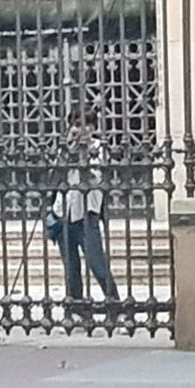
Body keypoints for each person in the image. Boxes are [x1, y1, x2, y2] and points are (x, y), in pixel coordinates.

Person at [49, 108, 119, 313]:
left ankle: (114, 305)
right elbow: (54, 178)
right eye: (77, 125)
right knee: (71, 268)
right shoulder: (65, 148)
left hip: (87, 214)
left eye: (87, 125)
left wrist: (83, 157)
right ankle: (77, 310)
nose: (82, 129)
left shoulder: (99, 148)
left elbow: (97, 179)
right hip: (64, 213)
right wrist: (67, 152)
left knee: (97, 263)